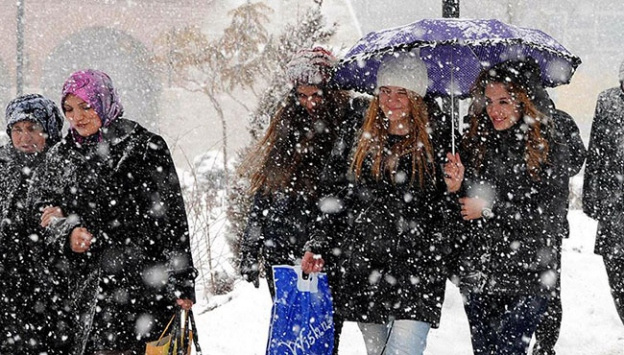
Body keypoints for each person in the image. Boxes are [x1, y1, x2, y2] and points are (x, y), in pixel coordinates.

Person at [30, 69, 196, 354]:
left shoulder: (143, 147)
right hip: (80, 295)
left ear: (104, 101)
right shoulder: (60, 156)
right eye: (68, 109)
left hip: (141, 287)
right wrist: (67, 234)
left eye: (86, 106)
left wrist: (182, 282)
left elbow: (172, 220)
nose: (77, 117)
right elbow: (40, 214)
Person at [302, 50, 452, 355]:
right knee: (377, 351)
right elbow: (333, 193)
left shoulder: (439, 141)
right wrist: (318, 241)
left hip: (417, 271)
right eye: (385, 91)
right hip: (366, 267)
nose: (391, 101)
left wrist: (453, 188)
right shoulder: (358, 134)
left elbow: (447, 216)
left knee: (403, 350)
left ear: (416, 98)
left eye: (401, 93)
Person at [238, 46, 365, 354]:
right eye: (303, 95)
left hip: (327, 245)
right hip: (281, 244)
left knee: (321, 333)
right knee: (291, 333)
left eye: (317, 95)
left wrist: (321, 241)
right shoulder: (287, 125)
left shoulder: (348, 126)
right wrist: (251, 243)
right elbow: (266, 187)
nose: (309, 103)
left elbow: (345, 190)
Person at [444, 59, 574, 355]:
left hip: (527, 276)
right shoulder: (475, 144)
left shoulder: (548, 146)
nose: (494, 110)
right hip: (480, 275)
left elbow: (547, 217)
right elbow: (462, 212)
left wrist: (491, 209)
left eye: (504, 100)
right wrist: (456, 187)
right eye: (488, 101)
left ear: (524, 101)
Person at [0, 94, 66, 354]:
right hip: (6, 285)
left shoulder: (64, 164)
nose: (24, 137)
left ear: (48, 130)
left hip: (50, 289)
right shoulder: (2, 165)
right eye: (17, 129)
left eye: (32, 128)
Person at [533, 107, 585, 354]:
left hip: (545, 221)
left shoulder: (557, 120)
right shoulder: (561, 118)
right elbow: (578, 157)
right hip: (548, 222)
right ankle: (544, 344)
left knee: (544, 287)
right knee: (548, 287)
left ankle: (542, 344)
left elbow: (576, 157)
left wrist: (552, 167)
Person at [583, 58, 624, 327]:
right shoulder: (608, 101)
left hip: (613, 208)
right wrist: (590, 196)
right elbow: (596, 150)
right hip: (614, 211)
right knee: (618, 283)